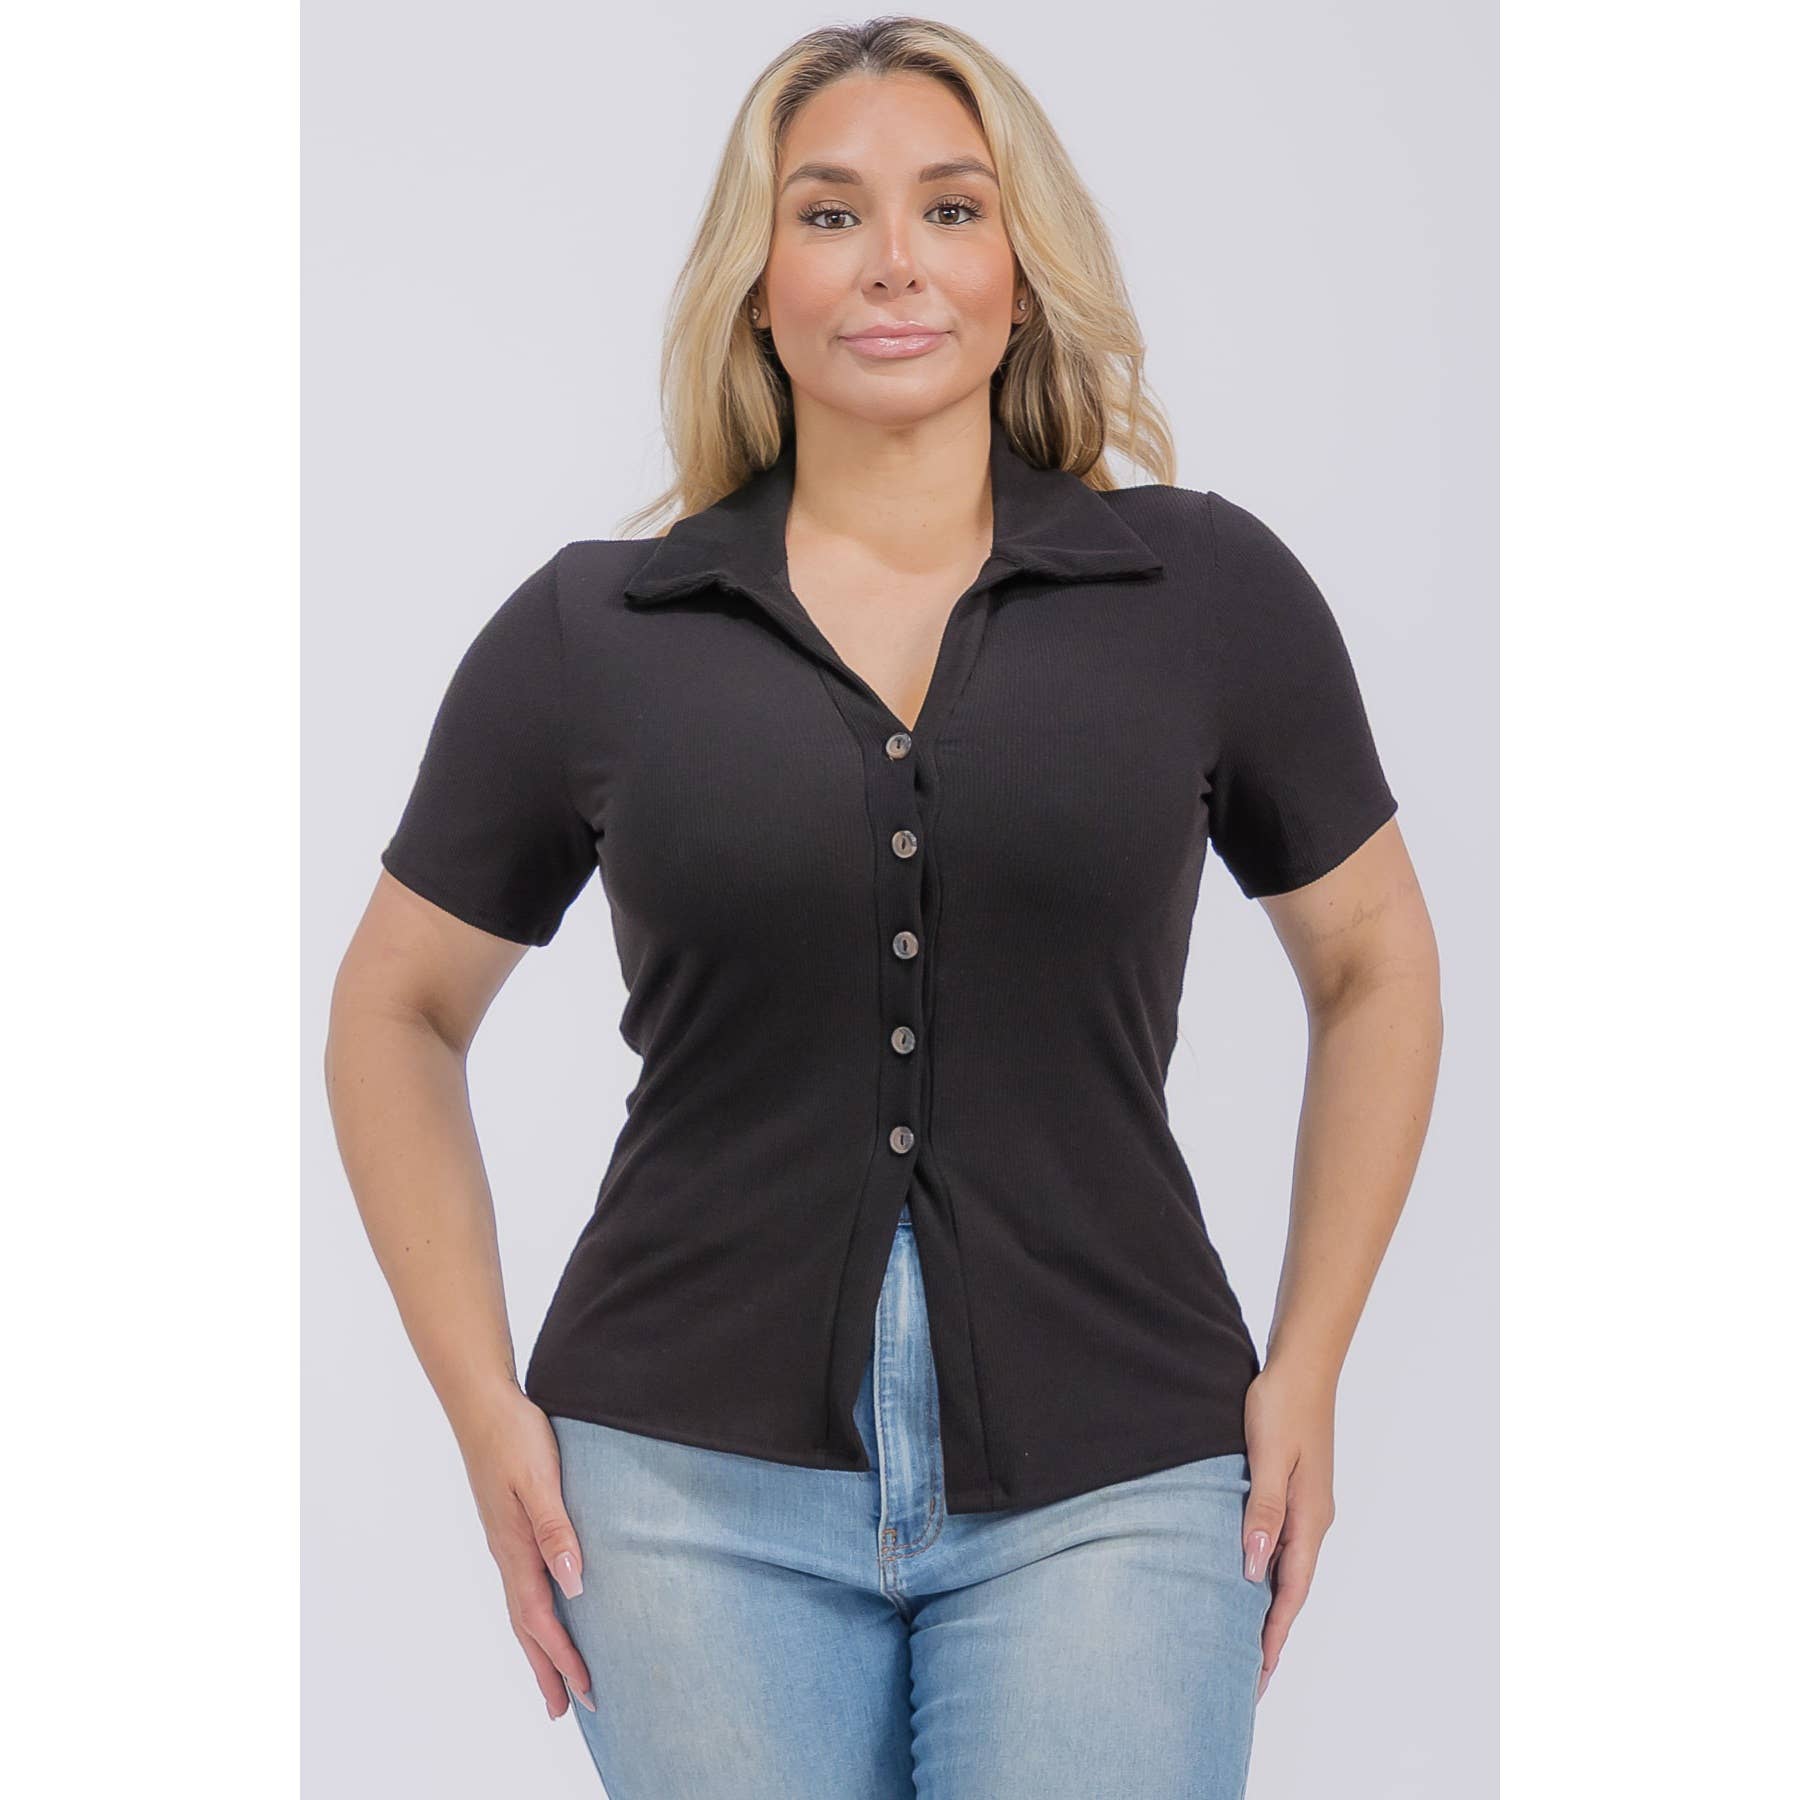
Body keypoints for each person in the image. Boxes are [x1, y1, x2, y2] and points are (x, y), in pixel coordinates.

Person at [325, 17, 1443, 1798]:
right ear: (758, 286)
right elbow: (397, 1007)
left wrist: (1309, 1365)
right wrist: (483, 1412)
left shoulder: (1201, 595)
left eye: (953, 207)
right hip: (675, 1498)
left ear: (1023, 269)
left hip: (1120, 1481)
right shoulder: (596, 636)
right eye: (831, 213)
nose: (896, 261)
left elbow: (1374, 959)